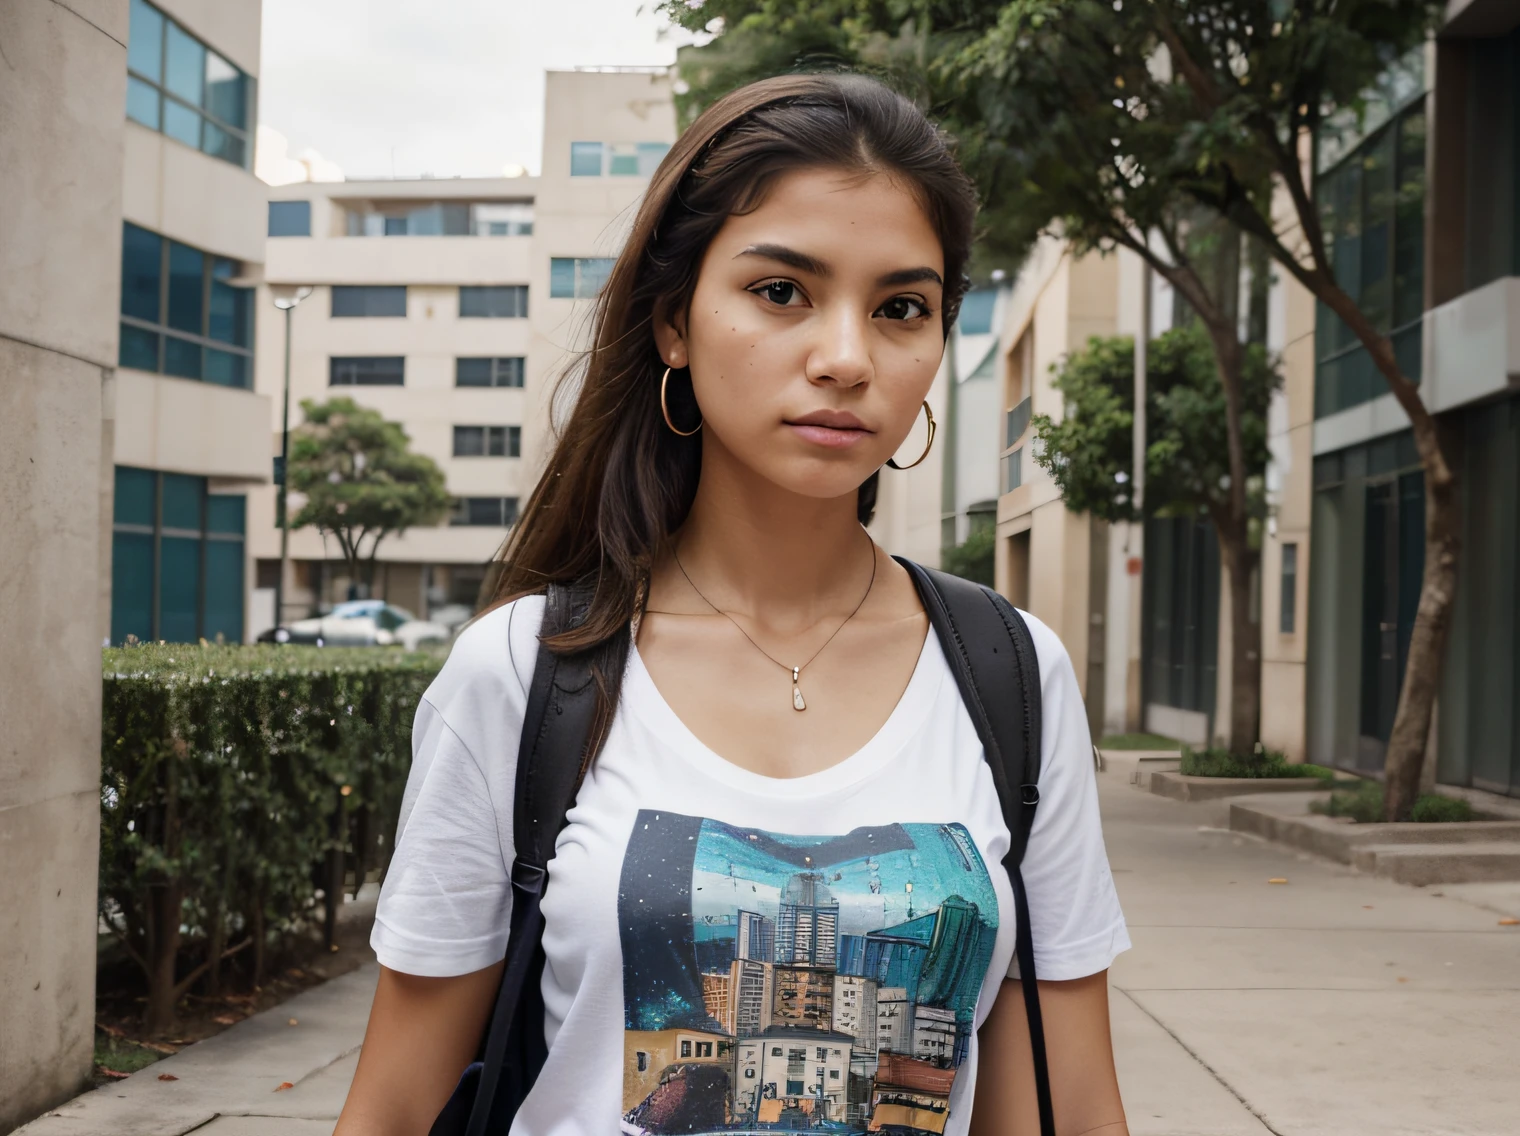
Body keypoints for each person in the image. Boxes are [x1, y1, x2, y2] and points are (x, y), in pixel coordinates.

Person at [334, 74, 1132, 1135]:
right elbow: (394, 1100)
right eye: (781, 291)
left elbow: (1069, 1102)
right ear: (673, 322)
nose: (846, 357)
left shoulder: (1009, 674)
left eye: (901, 307)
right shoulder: (528, 671)